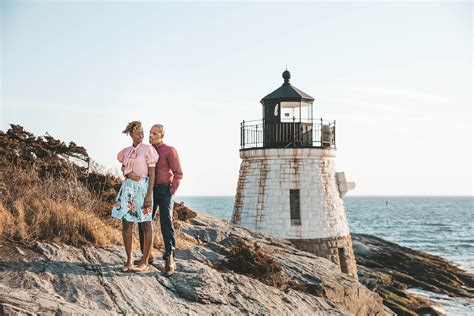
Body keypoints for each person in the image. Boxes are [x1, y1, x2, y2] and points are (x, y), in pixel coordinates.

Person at [128, 124, 183, 277]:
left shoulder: (170, 150)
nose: (150, 136)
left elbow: (178, 173)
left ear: (161, 135)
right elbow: (132, 161)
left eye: (154, 133)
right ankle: (148, 255)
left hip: (165, 191)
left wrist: (171, 191)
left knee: (167, 223)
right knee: (143, 221)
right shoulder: (145, 149)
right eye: (150, 133)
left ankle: (170, 259)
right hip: (148, 191)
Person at [111, 121, 158, 273]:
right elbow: (123, 166)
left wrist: (149, 195)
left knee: (145, 224)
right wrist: (127, 173)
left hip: (143, 189)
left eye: (143, 133)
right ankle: (129, 259)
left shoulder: (148, 149)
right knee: (126, 224)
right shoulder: (126, 151)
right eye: (138, 133)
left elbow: (152, 174)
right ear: (131, 134)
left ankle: (144, 260)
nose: (142, 135)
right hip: (128, 189)